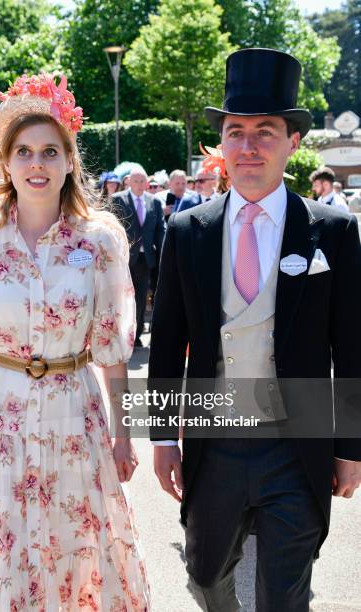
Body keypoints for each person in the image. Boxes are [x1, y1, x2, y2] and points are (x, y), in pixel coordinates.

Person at [0, 72, 150, 611]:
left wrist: (124, 435)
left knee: (73, 544)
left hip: (75, 411)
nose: (37, 163)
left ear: (70, 159)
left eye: (50, 150)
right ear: (4, 164)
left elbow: (114, 352)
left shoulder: (101, 239)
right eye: (23, 152)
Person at [149, 48, 361, 612]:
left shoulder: (333, 231)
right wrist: (164, 436)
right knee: (205, 575)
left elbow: (353, 344)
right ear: (221, 143)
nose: (247, 146)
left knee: (286, 593)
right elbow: (166, 340)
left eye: (264, 131)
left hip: (298, 441)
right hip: (214, 442)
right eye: (235, 131)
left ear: (293, 141)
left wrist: (352, 446)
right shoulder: (187, 229)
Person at [111, 167, 166, 348]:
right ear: (128, 182)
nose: (141, 185)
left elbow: (160, 230)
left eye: (143, 181)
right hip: (123, 258)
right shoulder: (117, 200)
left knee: (141, 298)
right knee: (121, 297)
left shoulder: (154, 202)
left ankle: (136, 335)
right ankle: (120, 333)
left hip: (144, 259)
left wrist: (164, 253)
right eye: (136, 181)